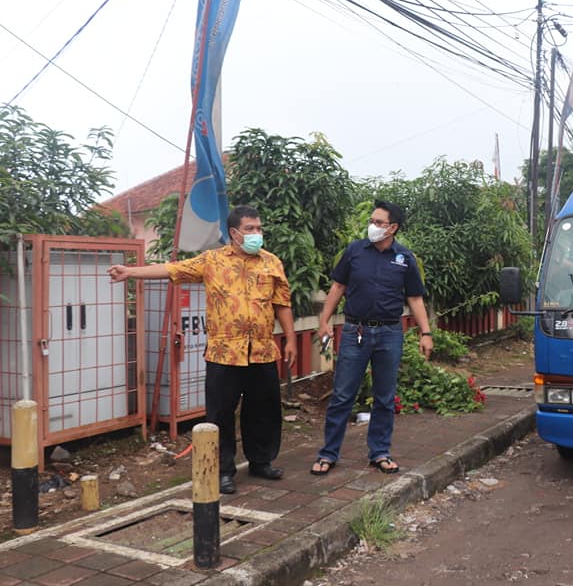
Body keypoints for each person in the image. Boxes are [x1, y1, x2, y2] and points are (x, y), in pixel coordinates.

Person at [107, 205, 296, 495]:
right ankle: (223, 471)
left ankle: (261, 461)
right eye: (250, 229)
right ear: (234, 233)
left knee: (263, 410)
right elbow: (172, 269)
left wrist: (291, 339)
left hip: (262, 350)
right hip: (223, 352)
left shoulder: (272, 262)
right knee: (220, 413)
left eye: (259, 228)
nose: (257, 233)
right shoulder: (213, 261)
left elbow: (282, 303)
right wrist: (131, 271)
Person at [311, 200, 432, 476]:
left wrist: (426, 333)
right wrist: (324, 321)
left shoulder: (404, 258)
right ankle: (328, 453)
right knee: (343, 395)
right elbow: (338, 286)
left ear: (393, 228)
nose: (372, 226)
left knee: (385, 397)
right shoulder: (354, 251)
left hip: (390, 333)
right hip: (356, 331)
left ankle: (380, 452)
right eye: (372, 221)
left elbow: (415, 298)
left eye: (379, 223)